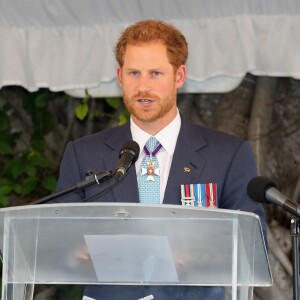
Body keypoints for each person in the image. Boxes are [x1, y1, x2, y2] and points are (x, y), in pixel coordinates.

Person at [56, 19, 267, 300]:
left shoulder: (228, 154)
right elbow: (56, 241)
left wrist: (194, 254)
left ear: (179, 76)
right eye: (134, 73)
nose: (143, 86)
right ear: (120, 77)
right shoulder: (83, 153)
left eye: (155, 73)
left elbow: (252, 246)